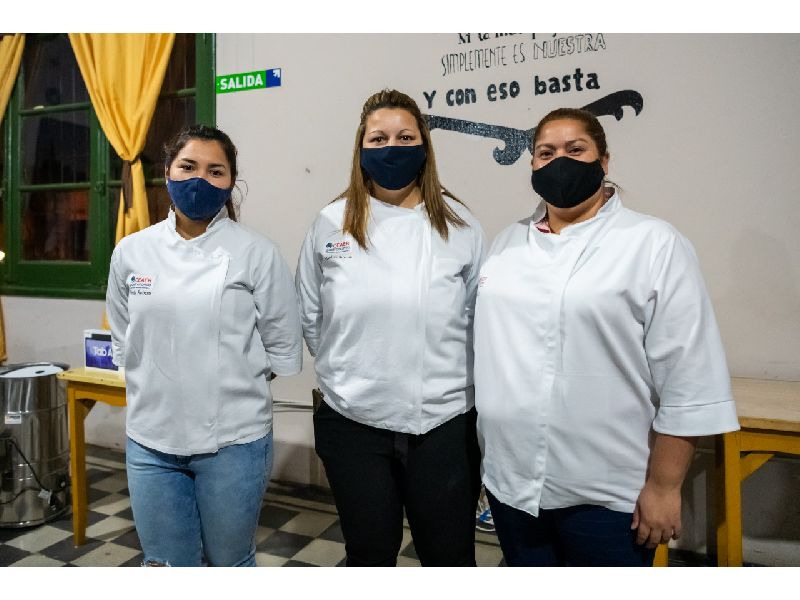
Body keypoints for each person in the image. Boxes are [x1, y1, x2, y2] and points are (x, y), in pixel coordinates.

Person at [473, 108, 740, 567]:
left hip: (609, 496)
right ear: (532, 164)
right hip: (511, 485)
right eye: (546, 153)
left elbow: (689, 375)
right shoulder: (506, 243)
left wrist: (665, 486)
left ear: (604, 159)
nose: (560, 161)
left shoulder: (653, 242)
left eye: (575, 149)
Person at [296, 89, 486, 566]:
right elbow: (312, 316)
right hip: (353, 423)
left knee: (450, 559)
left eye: (405, 137)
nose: (392, 148)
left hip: (443, 425)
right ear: (360, 148)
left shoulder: (461, 225)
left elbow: (479, 320)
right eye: (378, 139)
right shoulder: (330, 223)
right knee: (369, 555)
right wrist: (352, 370)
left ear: (424, 145)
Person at [106, 125, 302, 567]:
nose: (200, 179)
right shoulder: (132, 251)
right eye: (188, 167)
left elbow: (280, 343)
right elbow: (125, 336)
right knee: (165, 565)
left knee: (230, 563)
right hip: (151, 439)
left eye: (216, 171)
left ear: (231, 182)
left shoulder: (257, 253)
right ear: (167, 172)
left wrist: (221, 377)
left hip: (234, 442)